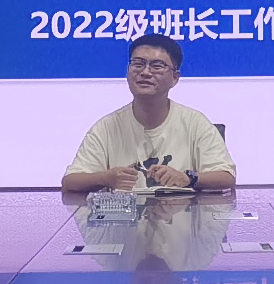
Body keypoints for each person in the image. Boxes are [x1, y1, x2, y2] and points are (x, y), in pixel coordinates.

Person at [62, 34, 236, 192]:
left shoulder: (194, 122)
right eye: (138, 64)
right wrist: (105, 178)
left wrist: (187, 178)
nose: (145, 72)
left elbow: (226, 177)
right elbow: (70, 181)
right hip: (124, 217)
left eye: (157, 66)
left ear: (175, 77)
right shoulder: (107, 127)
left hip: (182, 216)